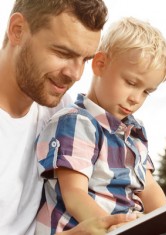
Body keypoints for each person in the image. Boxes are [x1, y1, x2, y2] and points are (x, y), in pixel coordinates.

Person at [35, 17, 166, 235]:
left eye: (146, 92)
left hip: (128, 228)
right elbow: (75, 196)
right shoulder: (76, 122)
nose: (136, 98)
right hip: (87, 229)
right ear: (100, 65)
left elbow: (149, 188)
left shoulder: (134, 133)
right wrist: (114, 229)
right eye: (131, 83)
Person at [0, 1, 137, 234]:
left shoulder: (61, 111)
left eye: (84, 59)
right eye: (63, 53)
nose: (75, 74)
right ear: (17, 31)